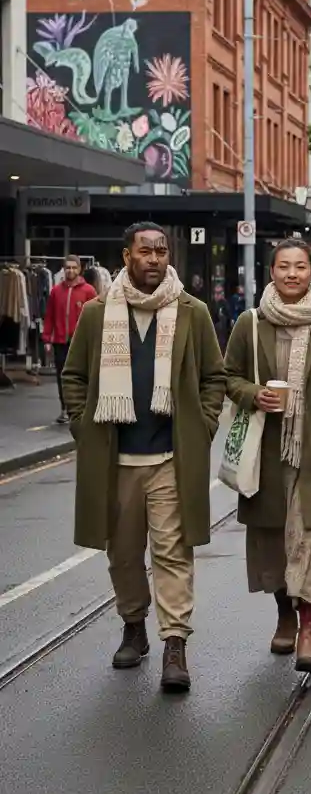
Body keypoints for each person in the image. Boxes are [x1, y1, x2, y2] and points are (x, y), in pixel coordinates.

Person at [61, 222, 225, 693]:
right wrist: (83, 426)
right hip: (116, 460)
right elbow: (73, 376)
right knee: (124, 554)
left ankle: (175, 643)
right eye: (145, 251)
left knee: (173, 553)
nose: (154, 259)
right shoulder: (96, 313)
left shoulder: (192, 313)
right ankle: (134, 625)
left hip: (172, 457)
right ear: (127, 256)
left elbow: (214, 378)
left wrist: (205, 424)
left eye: (161, 251)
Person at [224, 239, 311, 672]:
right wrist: (254, 395)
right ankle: (284, 612)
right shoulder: (250, 323)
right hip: (266, 454)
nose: (291, 274)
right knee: (274, 545)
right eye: (283, 266)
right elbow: (227, 377)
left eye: (300, 266)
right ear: (271, 272)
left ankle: (308, 630)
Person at [42, 254, 97, 424]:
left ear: (80, 269)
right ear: (63, 270)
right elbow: (49, 316)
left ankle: (83, 409)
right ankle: (64, 409)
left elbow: (95, 317)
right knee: (62, 376)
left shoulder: (89, 291)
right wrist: (47, 339)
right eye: (68, 268)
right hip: (60, 341)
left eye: (74, 267)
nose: (70, 271)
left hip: (81, 342)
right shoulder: (55, 291)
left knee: (83, 376)